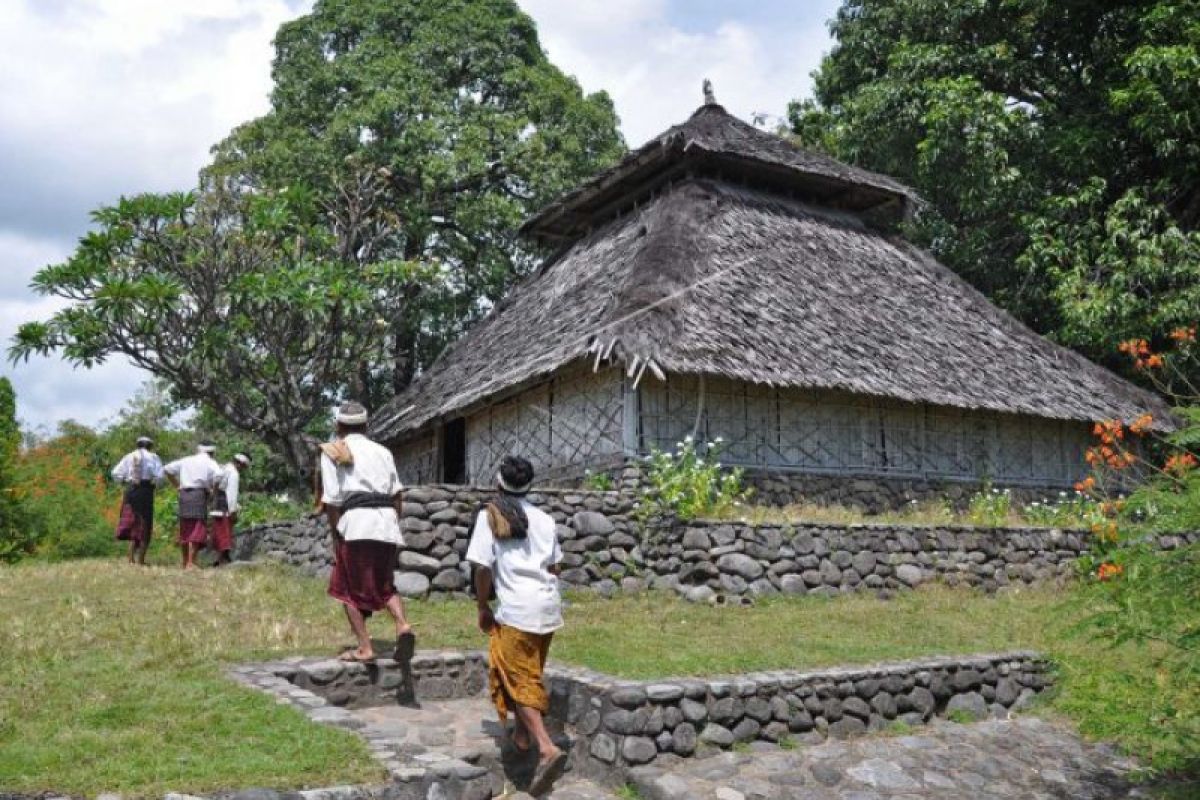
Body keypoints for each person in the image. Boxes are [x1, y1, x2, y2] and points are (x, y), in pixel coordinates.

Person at [466, 455, 567, 796]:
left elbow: (481, 567)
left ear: (498, 482)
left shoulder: (489, 515)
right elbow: (555, 567)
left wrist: (482, 605)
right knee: (530, 672)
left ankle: (546, 746)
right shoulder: (545, 519)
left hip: (516, 608)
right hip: (547, 606)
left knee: (512, 674)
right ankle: (522, 736)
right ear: (530, 484)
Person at [320, 401, 414, 663]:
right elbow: (397, 495)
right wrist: (392, 523)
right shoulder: (383, 452)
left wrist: (337, 534)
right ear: (366, 425)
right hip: (385, 523)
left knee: (346, 587)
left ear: (338, 426)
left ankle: (365, 647)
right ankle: (402, 624)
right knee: (385, 583)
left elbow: (332, 499)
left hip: (356, 524)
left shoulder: (331, 452)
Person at [164, 442, 222, 570]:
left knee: (185, 527)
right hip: (199, 494)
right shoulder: (210, 461)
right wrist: (214, 490)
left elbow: (167, 469)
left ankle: (185, 562)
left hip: (184, 494)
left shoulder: (186, 460)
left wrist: (177, 486)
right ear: (211, 453)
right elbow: (218, 475)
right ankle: (191, 562)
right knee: (197, 527)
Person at [111, 435, 164, 565]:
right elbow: (160, 476)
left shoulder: (128, 456)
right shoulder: (154, 457)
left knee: (133, 523)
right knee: (145, 523)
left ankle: (131, 559)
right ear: (150, 446)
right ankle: (141, 560)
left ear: (138, 444)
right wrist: (154, 483)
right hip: (145, 491)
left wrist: (124, 481)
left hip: (131, 491)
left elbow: (115, 473)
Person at [209, 452, 250, 566]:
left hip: (217, 504)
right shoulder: (233, 473)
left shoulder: (223, 468)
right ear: (240, 464)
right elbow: (231, 494)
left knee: (219, 531)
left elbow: (215, 485)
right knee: (225, 532)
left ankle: (220, 558)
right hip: (225, 506)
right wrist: (233, 511)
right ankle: (221, 560)